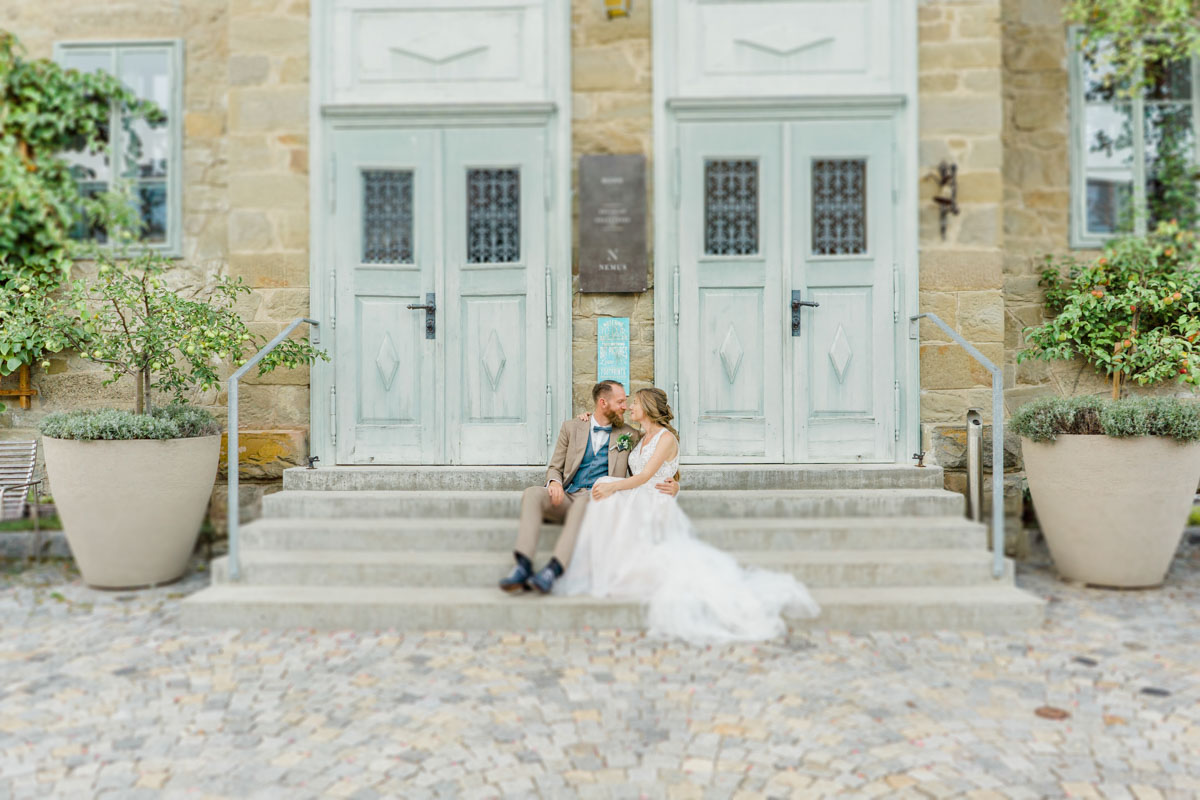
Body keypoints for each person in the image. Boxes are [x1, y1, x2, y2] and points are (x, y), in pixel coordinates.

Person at [555, 387, 821, 644]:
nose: (630, 407)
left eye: (634, 403)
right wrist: (587, 418)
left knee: (606, 487)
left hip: (654, 502)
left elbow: (647, 476)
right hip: (639, 497)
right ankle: (605, 567)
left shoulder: (666, 438)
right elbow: (613, 434)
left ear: (647, 408)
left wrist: (617, 485)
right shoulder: (639, 435)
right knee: (604, 490)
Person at [499, 380, 679, 594]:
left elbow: (657, 460)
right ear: (603, 403)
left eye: (628, 402)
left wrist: (675, 483)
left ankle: (554, 569)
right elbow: (555, 467)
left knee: (585, 500)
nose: (625, 406)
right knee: (532, 494)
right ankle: (523, 564)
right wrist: (554, 482)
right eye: (620, 402)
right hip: (568, 495)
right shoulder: (572, 427)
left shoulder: (630, 434)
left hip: (598, 499)